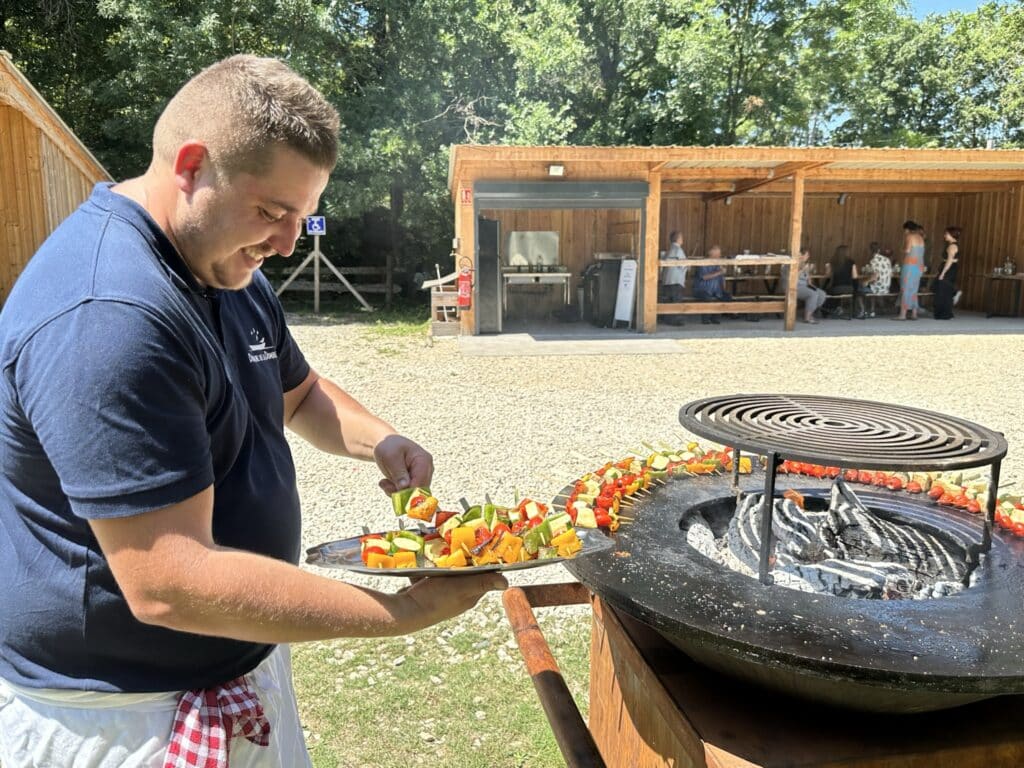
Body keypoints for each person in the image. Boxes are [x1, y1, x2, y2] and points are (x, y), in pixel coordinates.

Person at [0, 55, 505, 768]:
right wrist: (403, 613)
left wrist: (381, 441)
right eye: (271, 210)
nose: (287, 241)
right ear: (193, 165)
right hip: (126, 720)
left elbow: (296, 393)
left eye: (301, 214)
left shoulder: (224, 263)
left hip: (232, 668)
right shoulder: (110, 315)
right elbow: (171, 583)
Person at [692, 245, 733, 324]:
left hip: (715, 290)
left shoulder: (718, 264)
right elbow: (704, 277)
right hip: (702, 290)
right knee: (707, 298)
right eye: (718, 255)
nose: (719, 256)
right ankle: (706, 319)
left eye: (719, 254)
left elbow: (721, 278)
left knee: (725, 296)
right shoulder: (703, 263)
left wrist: (723, 288)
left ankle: (716, 318)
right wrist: (719, 272)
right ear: (712, 254)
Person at [895, 220, 925, 320]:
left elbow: (907, 250)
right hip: (919, 265)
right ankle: (914, 314)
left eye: (905, 230)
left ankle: (902, 314)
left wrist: (901, 249)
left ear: (907, 229)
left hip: (910, 265)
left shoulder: (909, 237)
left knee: (905, 288)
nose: (904, 232)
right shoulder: (921, 238)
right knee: (914, 289)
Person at [825, 244, 866, 318]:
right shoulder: (851, 262)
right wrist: (855, 289)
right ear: (847, 252)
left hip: (836, 289)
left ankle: (833, 308)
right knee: (858, 291)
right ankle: (854, 311)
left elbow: (828, 276)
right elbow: (855, 277)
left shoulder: (832, 262)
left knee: (827, 290)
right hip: (849, 288)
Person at [659, 230, 688, 325]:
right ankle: (677, 321)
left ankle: (668, 320)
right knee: (676, 300)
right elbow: (683, 265)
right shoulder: (678, 250)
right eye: (681, 238)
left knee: (669, 300)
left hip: (667, 280)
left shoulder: (669, 250)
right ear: (679, 239)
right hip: (675, 280)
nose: (682, 239)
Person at [932, 226, 961, 320]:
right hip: (950, 268)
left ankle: (943, 313)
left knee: (942, 290)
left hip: (949, 269)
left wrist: (943, 273)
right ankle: (946, 312)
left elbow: (949, 261)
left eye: (946, 234)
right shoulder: (952, 245)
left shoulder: (952, 246)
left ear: (951, 235)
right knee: (945, 290)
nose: (945, 235)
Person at [795, 247, 828, 324]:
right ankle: (807, 317)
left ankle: (809, 313)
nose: (808, 257)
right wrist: (802, 269)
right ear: (800, 255)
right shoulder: (793, 264)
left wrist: (809, 276)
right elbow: (793, 277)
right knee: (813, 294)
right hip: (795, 287)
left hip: (805, 286)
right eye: (807, 255)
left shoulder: (805, 265)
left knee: (822, 294)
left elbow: (808, 280)